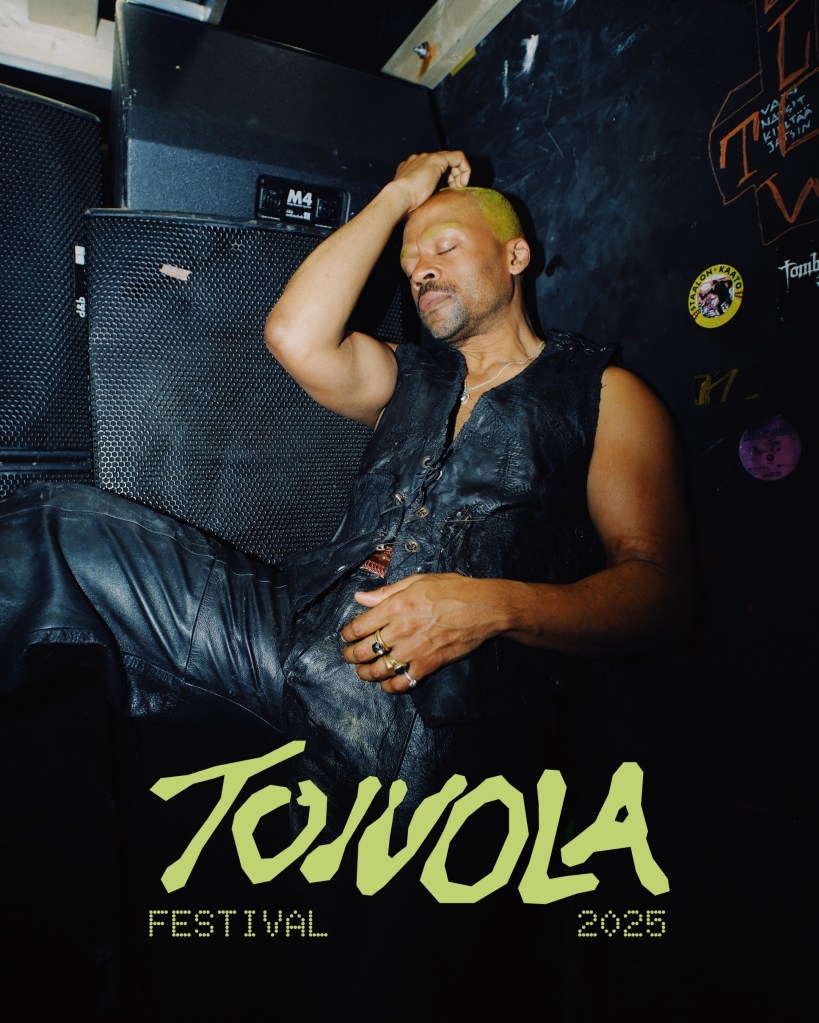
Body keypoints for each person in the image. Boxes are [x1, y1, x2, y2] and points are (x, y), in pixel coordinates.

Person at [0, 150, 694, 842]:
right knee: (61, 525)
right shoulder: (408, 377)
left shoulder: (603, 394)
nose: (421, 271)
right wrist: (398, 194)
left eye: (445, 248)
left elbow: (659, 594)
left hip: (434, 707)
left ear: (515, 256)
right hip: (299, 632)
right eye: (410, 262)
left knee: (355, 893)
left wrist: (489, 607)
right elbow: (295, 334)